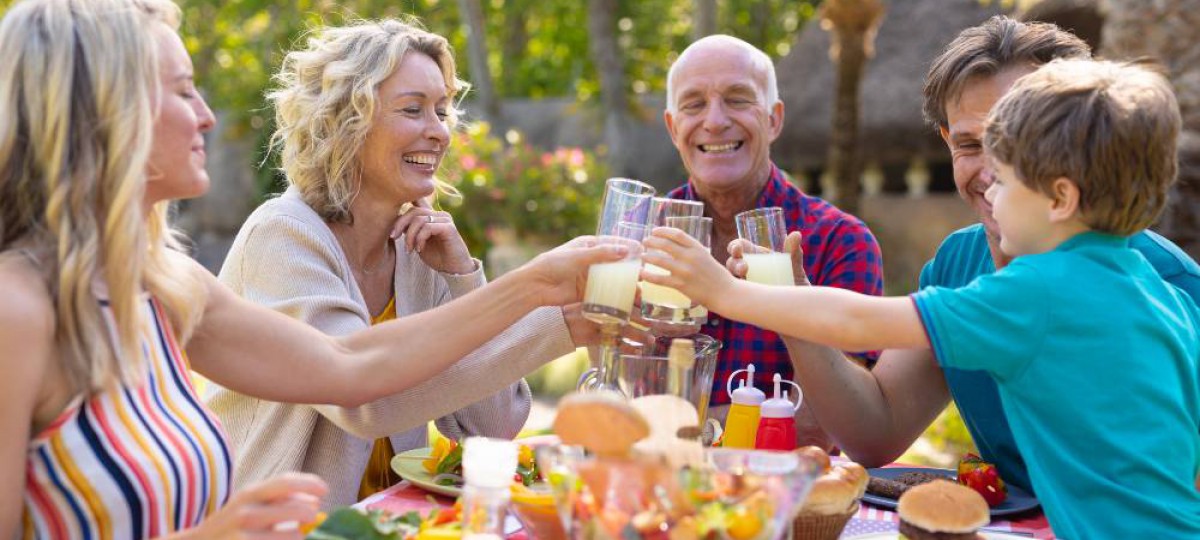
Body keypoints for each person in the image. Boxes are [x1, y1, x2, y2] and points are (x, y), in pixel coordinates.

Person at [0, 0, 625, 536]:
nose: (208, 115)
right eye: (184, 89)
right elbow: (365, 402)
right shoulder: (18, 312)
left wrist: (525, 292)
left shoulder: (165, 282)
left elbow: (352, 368)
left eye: (443, 110)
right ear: (102, 109)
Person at [644, 57, 1200, 538]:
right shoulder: (1158, 294)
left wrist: (724, 291)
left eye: (1003, 179)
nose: (987, 191)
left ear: (1059, 197)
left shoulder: (1033, 294)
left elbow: (859, 323)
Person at [205, 19, 637, 509]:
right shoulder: (283, 236)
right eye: (413, 110)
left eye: (442, 111)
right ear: (345, 122)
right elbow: (364, 402)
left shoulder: (419, 248)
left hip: (393, 520)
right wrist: (552, 318)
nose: (439, 132)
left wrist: (461, 279)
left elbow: (491, 424)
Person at [660, 34, 884, 446]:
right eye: (694, 104)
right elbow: (620, 401)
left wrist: (688, 426)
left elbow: (821, 428)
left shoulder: (841, 242)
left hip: (784, 502)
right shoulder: (645, 236)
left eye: (738, 98)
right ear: (674, 127)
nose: (714, 121)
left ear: (774, 119)